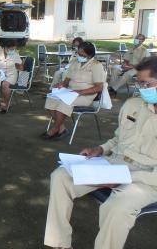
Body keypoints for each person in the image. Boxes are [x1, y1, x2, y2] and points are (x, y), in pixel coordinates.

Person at [44, 56, 157, 249]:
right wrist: (100, 149)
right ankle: (60, 243)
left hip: (147, 178)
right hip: (114, 162)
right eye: (138, 82)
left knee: (117, 207)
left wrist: (124, 178)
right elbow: (118, 138)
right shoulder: (133, 104)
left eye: (146, 83)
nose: (141, 87)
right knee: (61, 176)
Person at [42, 41, 106, 140]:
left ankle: (55, 129)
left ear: (89, 55)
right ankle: (61, 128)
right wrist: (61, 84)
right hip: (70, 92)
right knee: (51, 99)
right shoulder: (75, 62)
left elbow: (99, 87)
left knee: (64, 103)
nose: (79, 56)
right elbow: (67, 80)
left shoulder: (96, 65)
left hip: (86, 95)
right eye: (78, 53)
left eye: (82, 54)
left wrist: (80, 92)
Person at [0, 40, 23, 113]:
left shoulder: (15, 54)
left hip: (11, 75)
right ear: (5, 48)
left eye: (14, 49)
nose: (12, 51)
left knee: (4, 84)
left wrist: (19, 69)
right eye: (11, 49)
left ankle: (5, 104)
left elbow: (21, 67)